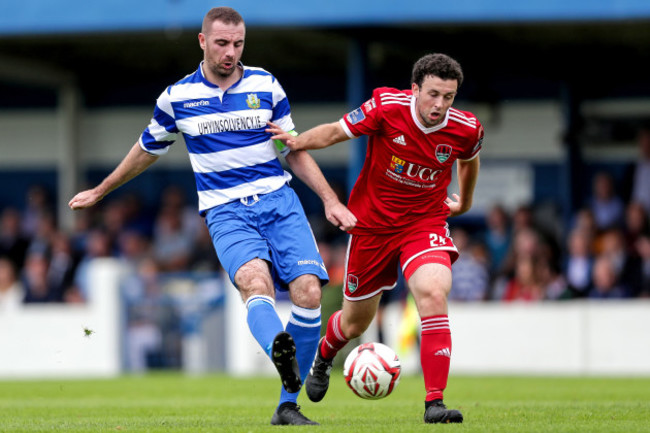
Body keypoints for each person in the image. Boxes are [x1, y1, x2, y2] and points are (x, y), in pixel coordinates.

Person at [68, 7, 355, 426]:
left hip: (279, 201)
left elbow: (292, 149)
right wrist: (100, 189)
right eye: (221, 43)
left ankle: (286, 404)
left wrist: (330, 199)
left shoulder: (266, 85)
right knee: (253, 281)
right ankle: (280, 347)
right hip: (225, 210)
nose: (230, 52)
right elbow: (148, 147)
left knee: (309, 292)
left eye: (237, 44)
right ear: (202, 41)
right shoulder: (177, 97)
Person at [269, 53, 482, 424]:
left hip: (424, 222)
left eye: (449, 97)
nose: (440, 105)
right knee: (353, 324)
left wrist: (465, 200)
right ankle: (324, 353)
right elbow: (336, 131)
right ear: (415, 88)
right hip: (371, 227)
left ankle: (435, 403)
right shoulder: (386, 106)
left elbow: (469, 157)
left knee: (433, 292)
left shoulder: (466, 128)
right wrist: (296, 140)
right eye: (433, 94)